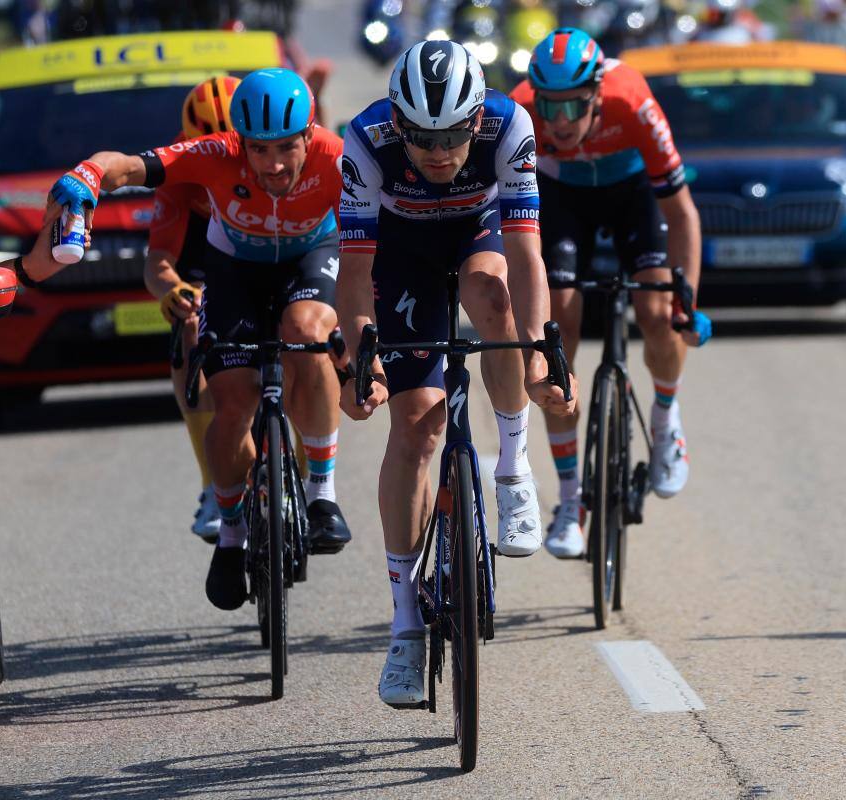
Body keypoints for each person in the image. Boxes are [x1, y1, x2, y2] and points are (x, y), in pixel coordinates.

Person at [47, 68, 352, 611]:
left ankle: (322, 494)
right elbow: (129, 166)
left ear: (310, 135)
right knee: (232, 406)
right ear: (240, 142)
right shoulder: (214, 154)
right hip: (235, 270)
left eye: (287, 147)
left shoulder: (337, 157)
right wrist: (88, 174)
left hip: (310, 257)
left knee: (306, 333)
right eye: (259, 150)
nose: (274, 165)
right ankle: (231, 530)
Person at [336, 39, 577, 708]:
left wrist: (539, 351)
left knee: (493, 299)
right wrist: (361, 359)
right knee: (415, 428)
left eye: (451, 135)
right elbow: (354, 274)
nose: (438, 152)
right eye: (421, 137)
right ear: (397, 122)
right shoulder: (365, 141)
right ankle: (405, 628)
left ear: (476, 119)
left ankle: (514, 472)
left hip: (479, 234)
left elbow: (526, 256)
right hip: (400, 254)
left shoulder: (509, 124)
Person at [510, 28, 707, 558]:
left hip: (631, 195)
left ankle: (665, 420)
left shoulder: (633, 100)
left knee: (657, 311)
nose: (560, 120)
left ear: (597, 94)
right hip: (563, 195)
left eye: (574, 104)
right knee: (558, 330)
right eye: (549, 105)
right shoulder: (519, 112)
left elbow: (682, 214)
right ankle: (570, 498)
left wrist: (688, 300)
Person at [144, 76, 241, 542]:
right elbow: (157, 262)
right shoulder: (180, 171)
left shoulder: (273, 158)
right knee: (191, 327)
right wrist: (174, 290)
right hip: (205, 261)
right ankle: (211, 483)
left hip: (268, 249)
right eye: (208, 149)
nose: (220, 157)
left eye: (231, 147)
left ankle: (309, 473)